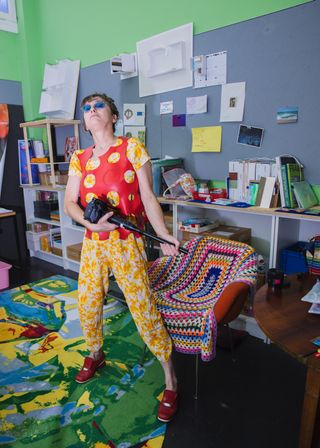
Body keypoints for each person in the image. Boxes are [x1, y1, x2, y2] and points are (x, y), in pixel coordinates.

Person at [64, 92, 179, 422]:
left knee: (142, 307)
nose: (92, 111)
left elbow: (148, 196)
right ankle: (95, 353)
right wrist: (89, 222)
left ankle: (171, 380)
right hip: (94, 242)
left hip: (127, 240)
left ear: (113, 115)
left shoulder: (132, 148)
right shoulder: (80, 159)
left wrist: (164, 233)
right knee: (86, 302)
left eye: (98, 105)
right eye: (86, 108)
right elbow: (71, 202)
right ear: (84, 122)